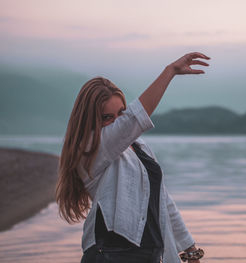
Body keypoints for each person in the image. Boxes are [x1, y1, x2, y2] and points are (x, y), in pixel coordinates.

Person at [55, 52, 210, 263]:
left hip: (151, 256)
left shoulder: (140, 148)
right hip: (110, 256)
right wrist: (170, 71)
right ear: (90, 120)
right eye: (107, 118)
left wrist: (190, 250)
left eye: (121, 113)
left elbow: (164, 201)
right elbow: (134, 119)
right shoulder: (90, 149)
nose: (118, 122)